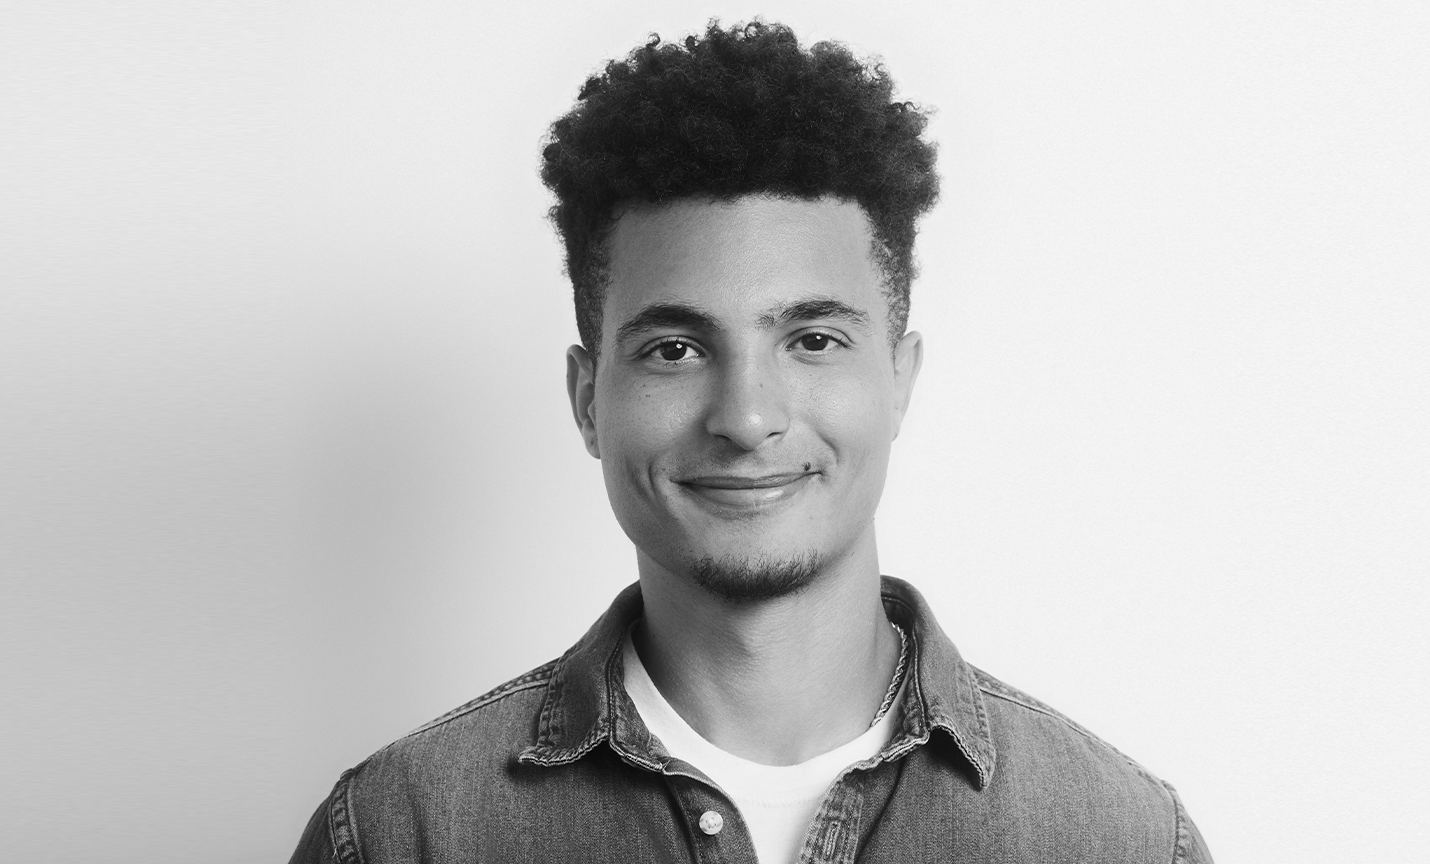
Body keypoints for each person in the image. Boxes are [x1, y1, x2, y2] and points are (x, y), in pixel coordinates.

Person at [290, 20, 1211, 864]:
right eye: (675, 349)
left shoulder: (1120, 841)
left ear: (899, 379)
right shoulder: (397, 833)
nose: (746, 416)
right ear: (587, 400)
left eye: (813, 340)